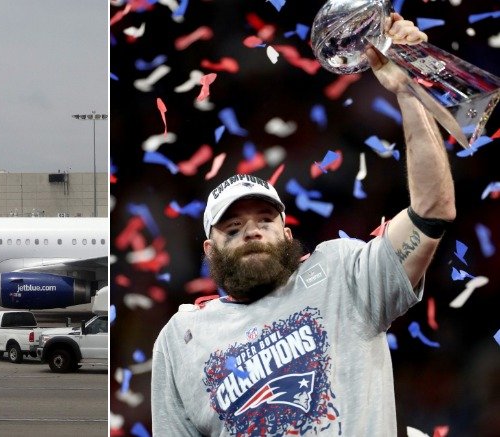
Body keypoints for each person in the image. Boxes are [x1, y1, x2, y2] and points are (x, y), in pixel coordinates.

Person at [151, 14, 455, 436]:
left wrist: (408, 90)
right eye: (232, 228)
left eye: (264, 221)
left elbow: (431, 209)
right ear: (209, 250)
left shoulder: (342, 274)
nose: (251, 232)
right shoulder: (181, 338)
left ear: (288, 235)